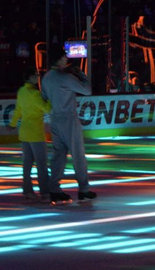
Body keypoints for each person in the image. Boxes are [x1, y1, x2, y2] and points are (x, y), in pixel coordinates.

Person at [41, 46, 96, 203]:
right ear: (60, 59)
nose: (67, 59)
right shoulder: (66, 78)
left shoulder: (46, 78)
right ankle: (84, 189)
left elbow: (44, 98)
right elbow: (87, 90)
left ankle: (54, 189)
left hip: (55, 118)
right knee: (78, 155)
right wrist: (81, 75)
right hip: (69, 119)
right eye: (65, 57)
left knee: (58, 155)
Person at [9, 67, 52, 202]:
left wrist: (12, 124)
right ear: (30, 77)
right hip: (35, 133)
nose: (38, 77)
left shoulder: (21, 91)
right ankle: (45, 192)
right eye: (36, 75)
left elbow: (18, 110)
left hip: (24, 132)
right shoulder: (35, 94)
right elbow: (46, 108)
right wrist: (50, 99)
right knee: (41, 164)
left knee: (27, 164)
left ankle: (27, 191)